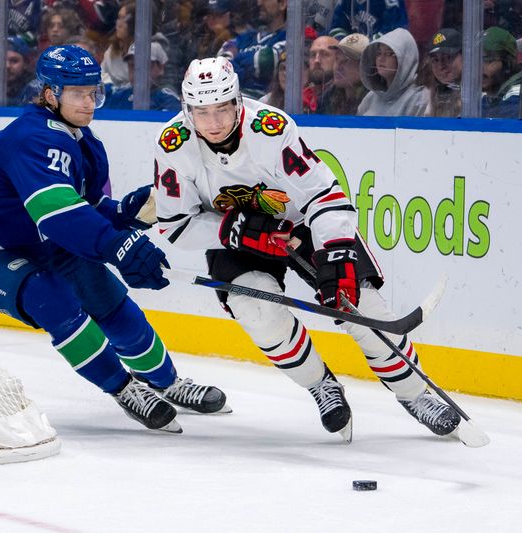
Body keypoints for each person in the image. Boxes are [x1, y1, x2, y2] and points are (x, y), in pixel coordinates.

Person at [153, 57, 463, 443]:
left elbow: (323, 193)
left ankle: (416, 394)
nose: (213, 122)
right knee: (257, 309)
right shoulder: (173, 143)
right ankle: (320, 385)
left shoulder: (271, 128)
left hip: (303, 223)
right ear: (187, 110)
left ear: (237, 101)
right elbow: (176, 225)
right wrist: (233, 229)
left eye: (221, 108)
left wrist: (334, 251)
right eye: (201, 111)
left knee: (359, 304)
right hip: (231, 234)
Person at [0, 45, 229, 433]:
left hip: (42, 241)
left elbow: (82, 206)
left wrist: (121, 212)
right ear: (49, 93)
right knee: (50, 297)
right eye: (78, 93)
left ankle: (167, 382)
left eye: (93, 92)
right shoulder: (29, 138)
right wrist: (117, 244)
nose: (90, 103)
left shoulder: (83, 141)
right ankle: (125, 389)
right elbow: (58, 213)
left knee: (107, 298)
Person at [218, 0, 286, 99]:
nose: (259, 3)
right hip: (232, 102)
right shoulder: (244, 38)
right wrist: (251, 68)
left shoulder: (288, 39)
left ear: (282, 4)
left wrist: (236, 62)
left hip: (264, 107)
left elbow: (265, 62)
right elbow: (220, 64)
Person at [357, 27, 426, 116]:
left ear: (405, 59)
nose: (381, 59)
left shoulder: (419, 98)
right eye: (379, 53)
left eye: (389, 54)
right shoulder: (370, 98)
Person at [104, 41, 180, 111]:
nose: (137, 71)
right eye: (132, 65)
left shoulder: (167, 99)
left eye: (144, 65)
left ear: (160, 68)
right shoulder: (120, 95)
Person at [318, 33, 369, 115]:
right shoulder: (327, 99)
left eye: (345, 60)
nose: (338, 66)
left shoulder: (373, 101)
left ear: (363, 66)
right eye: (337, 59)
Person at [0, 36, 37, 106]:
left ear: (25, 64)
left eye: (14, 61)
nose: (7, 66)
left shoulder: (36, 90)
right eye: (2, 60)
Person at [422, 28, 462, 117]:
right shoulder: (425, 97)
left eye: (448, 57)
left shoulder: (479, 96)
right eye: (435, 60)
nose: (441, 66)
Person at [329, 0, 408, 41]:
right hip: (355, 57)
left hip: (381, 58)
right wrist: (347, 45)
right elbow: (336, 27)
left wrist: (364, 47)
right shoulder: (344, 2)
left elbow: (394, 34)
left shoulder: (390, 3)